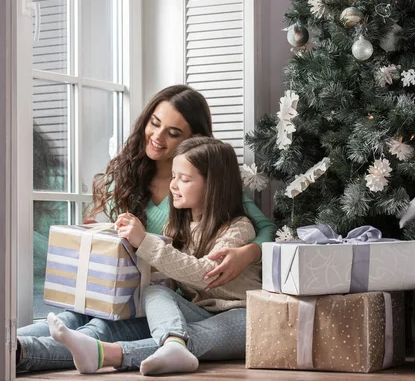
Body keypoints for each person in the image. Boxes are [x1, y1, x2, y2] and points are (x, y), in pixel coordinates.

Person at [16, 85, 276, 373]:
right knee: (76, 316)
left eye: (174, 133)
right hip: (141, 294)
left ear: (195, 141)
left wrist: (248, 254)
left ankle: (27, 353)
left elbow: (263, 229)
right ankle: (8, 344)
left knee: (104, 328)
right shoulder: (130, 181)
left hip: (185, 302)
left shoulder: (218, 196)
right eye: (155, 123)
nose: (158, 137)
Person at [48, 137, 262, 375]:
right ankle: (168, 345)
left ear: (213, 185)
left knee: (192, 338)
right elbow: (166, 273)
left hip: (243, 315)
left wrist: (145, 241)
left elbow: (206, 274)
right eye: (173, 176)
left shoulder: (239, 227)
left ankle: (105, 354)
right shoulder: (176, 227)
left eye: (184, 179)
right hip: (199, 311)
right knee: (157, 292)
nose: (173, 185)